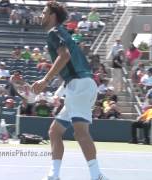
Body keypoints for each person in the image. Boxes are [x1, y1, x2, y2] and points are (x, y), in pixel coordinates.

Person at [31, 2, 108, 180]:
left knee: (80, 132)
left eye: (44, 12)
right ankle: (54, 174)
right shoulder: (61, 32)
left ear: (52, 16)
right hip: (78, 85)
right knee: (55, 131)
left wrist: (45, 80)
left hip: (79, 85)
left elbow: (65, 56)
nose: (41, 16)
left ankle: (97, 176)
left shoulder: (54, 32)